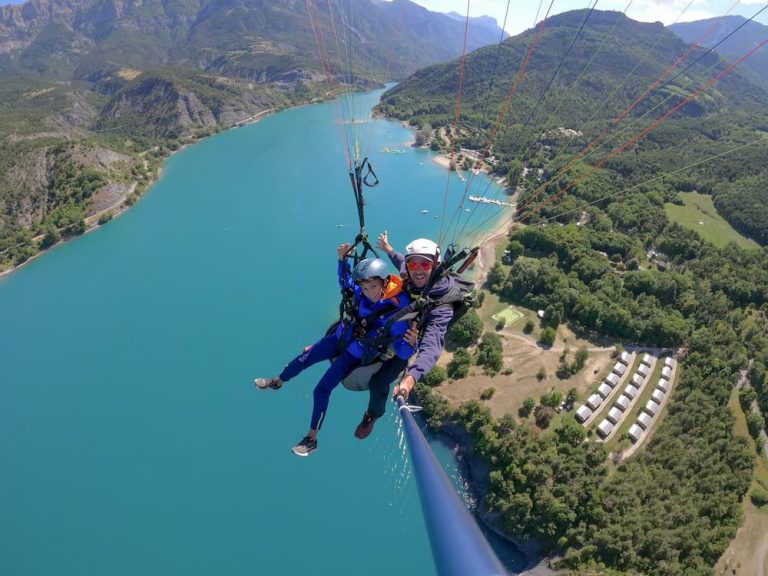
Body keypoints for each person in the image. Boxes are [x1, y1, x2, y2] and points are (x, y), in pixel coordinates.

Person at [254, 243, 415, 457]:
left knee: (321, 390)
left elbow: (402, 352)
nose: (369, 292)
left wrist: (411, 343)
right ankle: (277, 382)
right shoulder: (362, 292)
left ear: (384, 282)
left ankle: (312, 439)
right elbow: (346, 283)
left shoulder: (398, 311)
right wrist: (342, 260)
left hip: (353, 355)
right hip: (340, 338)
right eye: (365, 288)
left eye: (373, 287)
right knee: (303, 359)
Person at [353, 232, 456, 440]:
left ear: (435, 266)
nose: (418, 270)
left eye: (425, 264)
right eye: (413, 264)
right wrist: (388, 248)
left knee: (377, 384)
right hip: (394, 327)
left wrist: (410, 379)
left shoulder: (443, 305)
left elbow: (432, 345)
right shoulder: (409, 274)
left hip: (409, 341)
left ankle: (373, 414)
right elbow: (401, 261)